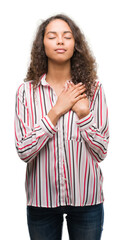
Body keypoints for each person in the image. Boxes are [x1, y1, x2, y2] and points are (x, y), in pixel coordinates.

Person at [14, 14, 109, 240]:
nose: (60, 41)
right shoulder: (26, 92)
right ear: (42, 45)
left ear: (75, 45)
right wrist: (56, 111)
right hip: (41, 201)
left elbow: (102, 151)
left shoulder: (93, 89)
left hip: (87, 200)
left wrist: (84, 115)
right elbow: (24, 151)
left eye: (66, 36)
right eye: (52, 36)